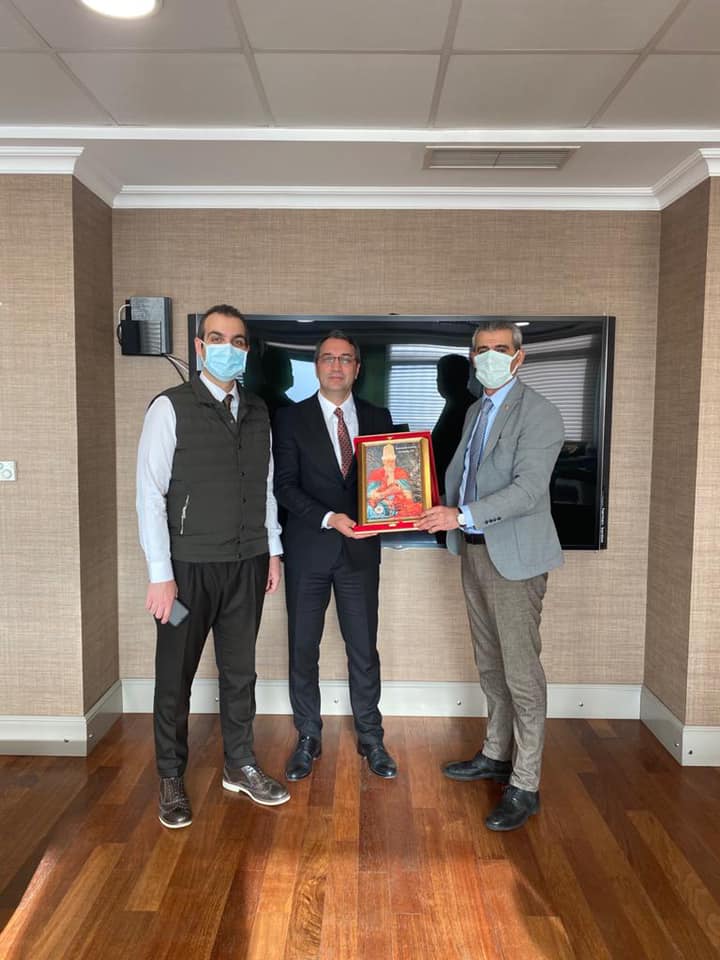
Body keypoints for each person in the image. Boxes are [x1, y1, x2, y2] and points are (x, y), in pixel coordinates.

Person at [136, 303, 290, 829]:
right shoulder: (170, 407)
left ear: (247, 351)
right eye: (217, 339)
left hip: (246, 567)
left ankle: (240, 764)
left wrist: (273, 550)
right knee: (174, 675)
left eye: (238, 341)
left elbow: (264, 488)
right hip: (185, 576)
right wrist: (160, 574)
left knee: (240, 671)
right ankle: (170, 776)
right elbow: (149, 494)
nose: (229, 348)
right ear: (200, 347)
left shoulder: (259, 412)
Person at [417, 320, 564, 832]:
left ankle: (525, 784)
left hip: (516, 558)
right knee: (490, 664)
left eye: (501, 349)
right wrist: (419, 504)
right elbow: (464, 476)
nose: (490, 357)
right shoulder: (476, 410)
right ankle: (497, 754)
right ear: (472, 357)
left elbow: (527, 491)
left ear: (519, 357)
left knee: (521, 673)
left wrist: (458, 514)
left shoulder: (539, 412)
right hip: (475, 551)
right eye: (481, 350)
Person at [273, 330, 398, 781]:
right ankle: (308, 735)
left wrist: (398, 509)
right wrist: (329, 517)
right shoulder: (290, 419)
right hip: (308, 550)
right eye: (328, 358)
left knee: (363, 648)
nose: (337, 366)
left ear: (357, 368)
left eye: (346, 359)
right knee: (302, 648)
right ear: (316, 366)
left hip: (361, 552)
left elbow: (396, 480)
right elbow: (284, 487)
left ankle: (371, 737)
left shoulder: (379, 416)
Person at [366, 443, 422, 521]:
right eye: (388, 461)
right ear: (383, 461)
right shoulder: (375, 474)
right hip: (381, 505)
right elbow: (370, 496)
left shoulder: (401, 472)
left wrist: (396, 499)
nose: (390, 463)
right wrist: (387, 494)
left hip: (399, 505)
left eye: (392, 461)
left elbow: (408, 496)